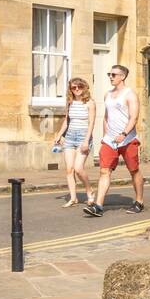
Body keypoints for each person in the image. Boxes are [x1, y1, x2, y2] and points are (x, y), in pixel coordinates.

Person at [83, 64, 144, 217]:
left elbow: (134, 117)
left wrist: (123, 134)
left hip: (128, 139)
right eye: (109, 74)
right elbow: (106, 117)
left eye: (114, 75)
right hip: (110, 140)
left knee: (134, 170)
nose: (111, 77)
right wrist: (105, 137)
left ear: (122, 77)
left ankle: (139, 201)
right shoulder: (107, 95)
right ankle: (98, 206)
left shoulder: (130, 94)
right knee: (104, 171)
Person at [53, 78, 96, 208]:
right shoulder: (70, 102)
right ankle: (73, 198)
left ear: (85, 87)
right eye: (73, 87)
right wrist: (59, 135)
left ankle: (89, 190)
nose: (77, 89)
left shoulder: (90, 103)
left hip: (83, 136)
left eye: (79, 87)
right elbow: (67, 120)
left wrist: (86, 141)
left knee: (78, 168)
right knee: (69, 169)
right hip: (70, 137)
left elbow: (91, 123)